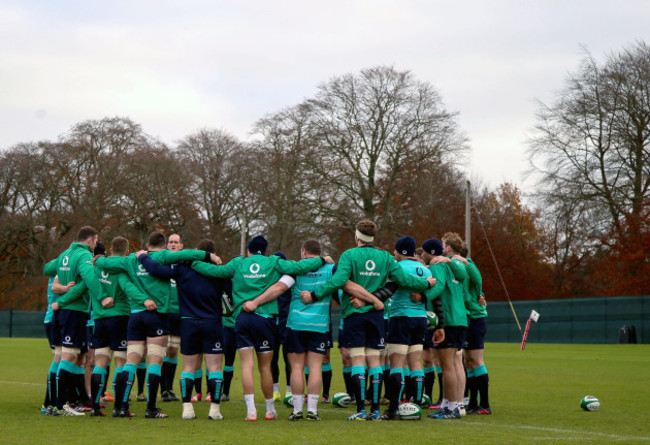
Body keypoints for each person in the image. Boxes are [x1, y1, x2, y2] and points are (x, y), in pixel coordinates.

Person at [301, 220, 436, 421]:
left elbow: (339, 282)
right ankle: (375, 411)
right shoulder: (385, 257)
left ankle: (361, 411)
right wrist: (424, 283)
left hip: (355, 314)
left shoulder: (349, 255)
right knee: (374, 361)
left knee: (357, 359)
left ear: (357, 237)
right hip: (377, 315)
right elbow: (403, 280)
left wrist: (314, 295)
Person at [190, 235, 328, 421]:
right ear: (265, 249)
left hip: (242, 319)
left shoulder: (238, 263)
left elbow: (215, 271)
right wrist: (320, 260)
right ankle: (270, 410)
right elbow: (297, 267)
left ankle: (251, 411)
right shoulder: (273, 261)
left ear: (248, 250)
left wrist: (193, 262)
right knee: (265, 368)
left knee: (246, 366)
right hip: (264, 320)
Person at [95, 230, 210, 418]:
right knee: (155, 361)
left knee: (131, 361)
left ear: (147, 245)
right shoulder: (164, 256)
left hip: (135, 316)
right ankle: (151, 408)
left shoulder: (131, 259)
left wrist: (97, 259)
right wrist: (207, 255)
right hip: (156, 315)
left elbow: (106, 262)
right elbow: (186, 254)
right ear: (164, 246)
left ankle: (121, 406)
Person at [137, 239, 227, 420]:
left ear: (195, 251)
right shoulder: (220, 272)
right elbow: (229, 298)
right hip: (212, 322)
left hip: (188, 322)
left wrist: (143, 257)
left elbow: (156, 270)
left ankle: (187, 409)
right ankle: (215, 411)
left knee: (188, 367)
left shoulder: (183, 268)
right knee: (215, 366)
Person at [380, 236, 444, 420]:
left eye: (395, 250)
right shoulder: (425, 269)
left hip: (401, 318)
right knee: (416, 362)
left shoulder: (398, 268)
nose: (393, 253)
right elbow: (435, 295)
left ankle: (393, 408)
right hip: (420, 319)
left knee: (397, 364)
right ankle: (416, 406)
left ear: (400, 251)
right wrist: (439, 323)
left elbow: (388, 291)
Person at [49, 226, 103, 416]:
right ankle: (61, 405)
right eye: (96, 241)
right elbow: (89, 278)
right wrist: (102, 296)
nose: (95, 244)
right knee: (69, 356)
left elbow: (48, 268)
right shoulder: (83, 256)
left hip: (64, 312)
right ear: (90, 240)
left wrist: (62, 291)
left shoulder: (65, 254)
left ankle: (64, 402)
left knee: (72, 356)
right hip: (74, 311)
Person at [421, 237, 467, 420]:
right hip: (460, 319)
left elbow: (438, 286)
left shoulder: (437, 265)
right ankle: (450, 405)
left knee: (447, 365)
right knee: (454, 364)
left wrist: (423, 298)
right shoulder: (453, 265)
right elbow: (463, 278)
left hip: (448, 320)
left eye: (423, 251)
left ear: (429, 253)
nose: (421, 254)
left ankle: (451, 408)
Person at [160, 233, 182, 403]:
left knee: (174, 350)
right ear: (166, 245)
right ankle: (162, 389)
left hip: (179, 314)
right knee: (162, 350)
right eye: (171, 242)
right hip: (164, 313)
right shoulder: (162, 263)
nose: (173, 244)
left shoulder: (183, 264)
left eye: (176, 242)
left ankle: (170, 388)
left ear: (181, 246)